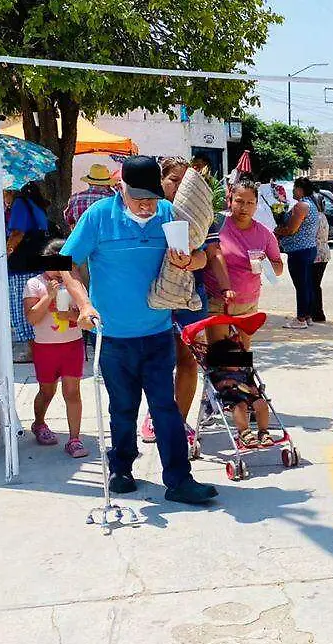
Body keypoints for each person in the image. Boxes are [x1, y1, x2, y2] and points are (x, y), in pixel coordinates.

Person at [61, 155, 218, 505]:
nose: (147, 206)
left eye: (152, 197)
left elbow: (203, 255)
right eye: (139, 198)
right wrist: (84, 304)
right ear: (121, 189)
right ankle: (121, 468)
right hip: (113, 337)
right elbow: (62, 263)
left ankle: (179, 479)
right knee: (122, 407)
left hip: (158, 333)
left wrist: (190, 261)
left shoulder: (167, 214)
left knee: (165, 407)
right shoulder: (99, 217)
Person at [139, 157, 212, 446]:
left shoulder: (192, 217)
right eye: (174, 180)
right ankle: (155, 416)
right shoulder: (148, 216)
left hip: (190, 300)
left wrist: (188, 262)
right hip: (153, 301)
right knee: (157, 362)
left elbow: (205, 256)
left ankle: (178, 422)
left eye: (185, 182)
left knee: (187, 360)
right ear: (161, 182)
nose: (180, 187)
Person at [24, 239, 89, 458]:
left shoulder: (75, 285)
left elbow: (85, 316)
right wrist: (49, 297)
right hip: (45, 347)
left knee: (72, 392)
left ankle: (74, 439)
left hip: (72, 345)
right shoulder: (34, 284)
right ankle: (39, 423)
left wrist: (70, 315)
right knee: (47, 390)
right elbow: (32, 317)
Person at [205, 181, 284, 348]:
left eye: (250, 203)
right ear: (230, 200)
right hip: (217, 300)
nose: (244, 207)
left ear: (256, 205)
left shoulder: (265, 234)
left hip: (248, 303)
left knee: (242, 356)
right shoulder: (216, 224)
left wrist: (265, 263)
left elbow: (278, 269)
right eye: (239, 201)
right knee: (220, 355)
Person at [204, 337, 277, 449]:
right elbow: (214, 387)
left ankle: (263, 432)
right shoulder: (218, 373)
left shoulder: (244, 370)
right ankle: (244, 433)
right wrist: (225, 383)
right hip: (230, 397)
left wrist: (254, 388)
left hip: (248, 394)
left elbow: (251, 382)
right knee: (240, 406)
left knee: (262, 404)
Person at [6, 182, 52, 345]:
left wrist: (6, 252)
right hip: (37, 263)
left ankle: (31, 349)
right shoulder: (35, 203)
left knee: (23, 306)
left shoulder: (20, 203)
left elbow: (18, 232)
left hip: (22, 265)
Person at [273, 177, 320, 330]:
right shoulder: (312, 205)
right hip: (309, 249)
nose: (293, 191)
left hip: (299, 251)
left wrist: (277, 230)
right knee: (306, 284)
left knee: (301, 285)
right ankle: (307, 316)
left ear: (300, 189)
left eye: (294, 188)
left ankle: (301, 318)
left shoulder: (301, 206)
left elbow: (291, 229)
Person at [64, 164, 117, 232]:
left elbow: (69, 219)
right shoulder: (113, 199)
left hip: (81, 239)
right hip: (106, 239)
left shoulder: (75, 198)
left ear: (89, 182)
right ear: (107, 184)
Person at [310, 191, 330, 324]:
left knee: (313, 284)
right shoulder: (323, 216)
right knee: (316, 284)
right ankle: (317, 312)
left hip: (316, 254)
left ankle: (317, 313)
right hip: (324, 252)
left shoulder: (314, 217)